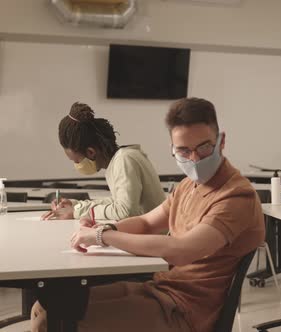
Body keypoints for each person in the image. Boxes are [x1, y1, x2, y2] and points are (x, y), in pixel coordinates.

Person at [31, 98, 266, 332]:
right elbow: (145, 222)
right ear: (173, 149)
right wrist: (103, 229)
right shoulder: (187, 186)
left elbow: (182, 250)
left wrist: (103, 235)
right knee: (43, 307)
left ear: (221, 141)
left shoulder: (236, 196)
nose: (194, 159)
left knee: (50, 320)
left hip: (185, 312)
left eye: (204, 147)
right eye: (183, 150)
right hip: (162, 288)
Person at [41, 102, 166, 220]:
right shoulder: (121, 159)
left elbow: (125, 211)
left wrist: (76, 213)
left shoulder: (124, 160)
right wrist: (76, 205)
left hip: (157, 237)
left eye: (76, 160)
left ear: (91, 152)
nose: (77, 165)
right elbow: (117, 202)